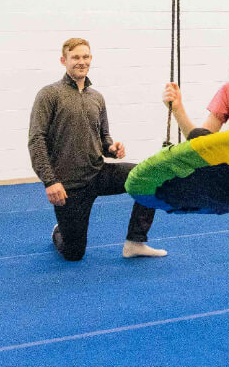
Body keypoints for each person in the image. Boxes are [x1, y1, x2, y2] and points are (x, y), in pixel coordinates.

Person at [29, 38, 167, 262]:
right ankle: (60, 231)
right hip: (69, 185)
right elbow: (36, 140)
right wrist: (50, 181)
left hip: (98, 173)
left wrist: (112, 148)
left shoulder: (97, 97)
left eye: (85, 57)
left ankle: (135, 242)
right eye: (75, 57)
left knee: (149, 176)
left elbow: (103, 138)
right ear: (64, 60)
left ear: (91, 59)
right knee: (74, 254)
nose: (81, 62)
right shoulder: (49, 95)